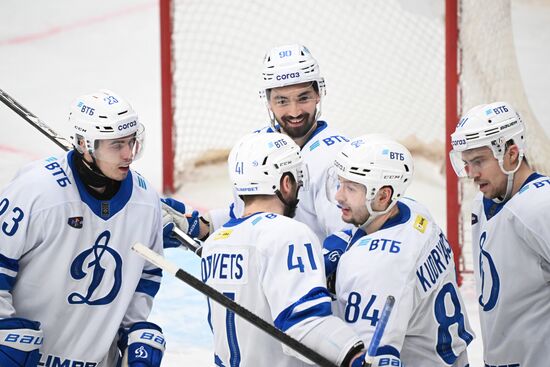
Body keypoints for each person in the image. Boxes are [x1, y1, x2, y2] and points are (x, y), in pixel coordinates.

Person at [200, 131, 395, 367]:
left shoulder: (214, 243)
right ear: (285, 183)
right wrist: (355, 356)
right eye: (296, 179)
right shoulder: (287, 233)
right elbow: (303, 323)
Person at [0, 90, 165, 366]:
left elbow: (147, 274)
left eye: (131, 142)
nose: (128, 155)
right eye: (116, 145)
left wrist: (132, 330)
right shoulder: (36, 191)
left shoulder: (146, 202)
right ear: (84, 144)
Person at [162, 44, 352, 273]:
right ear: (268, 101)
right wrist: (200, 226)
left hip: (314, 296)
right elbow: (246, 216)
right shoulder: (254, 149)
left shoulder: (338, 156)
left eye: (303, 98)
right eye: (282, 101)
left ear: (318, 94)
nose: (294, 112)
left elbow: (348, 236)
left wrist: (303, 275)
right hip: (266, 291)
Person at [329, 134, 474, 366]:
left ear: (384, 195)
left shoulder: (377, 268)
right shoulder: (415, 212)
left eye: (351, 188)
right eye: (340, 182)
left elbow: (373, 358)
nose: (339, 196)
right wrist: (341, 242)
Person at [449, 101, 550, 366]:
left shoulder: (541, 205)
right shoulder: (483, 203)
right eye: (467, 163)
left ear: (512, 154)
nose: (471, 174)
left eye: (479, 161)